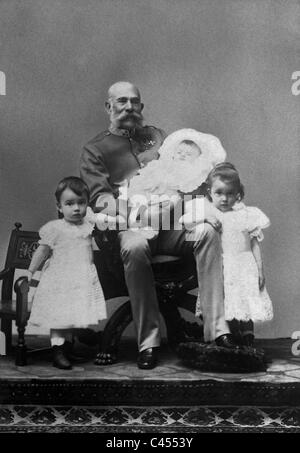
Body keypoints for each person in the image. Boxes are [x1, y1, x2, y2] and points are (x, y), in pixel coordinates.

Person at [80, 81, 238, 370]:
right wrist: (135, 209)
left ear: (141, 106)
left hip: (173, 224)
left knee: (207, 231)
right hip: (134, 223)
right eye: (122, 102)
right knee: (135, 245)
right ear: (109, 107)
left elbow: (187, 167)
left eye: (134, 102)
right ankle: (149, 341)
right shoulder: (96, 149)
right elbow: (99, 197)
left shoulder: (158, 137)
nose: (129, 108)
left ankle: (217, 329)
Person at [180, 163, 273, 346]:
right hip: (223, 265)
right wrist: (206, 218)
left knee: (246, 298)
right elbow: (185, 221)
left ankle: (247, 334)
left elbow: (254, 244)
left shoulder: (246, 214)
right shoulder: (209, 211)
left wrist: (260, 270)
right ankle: (227, 335)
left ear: (238, 193)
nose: (224, 198)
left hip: (244, 264)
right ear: (210, 192)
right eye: (219, 193)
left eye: (230, 193)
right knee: (226, 299)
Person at [27, 177, 107, 370]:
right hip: (60, 279)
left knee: (72, 315)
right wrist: (31, 271)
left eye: (81, 203)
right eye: (70, 204)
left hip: (81, 279)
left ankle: (69, 349)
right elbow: (42, 251)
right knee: (60, 317)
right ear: (59, 206)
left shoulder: (88, 226)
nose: (76, 208)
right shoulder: (55, 228)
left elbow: (98, 237)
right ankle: (58, 352)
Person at [121, 128, 225, 239]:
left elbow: (188, 195)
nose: (182, 155)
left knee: (167, 203)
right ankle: (136, 223)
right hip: (152, 189)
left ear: (198, 159)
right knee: (139, 200)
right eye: (179, 152)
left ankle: (149, 226)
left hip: (169, 202)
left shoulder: (195, 175)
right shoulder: (164, 165)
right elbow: (150, 175)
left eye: (189, 154)